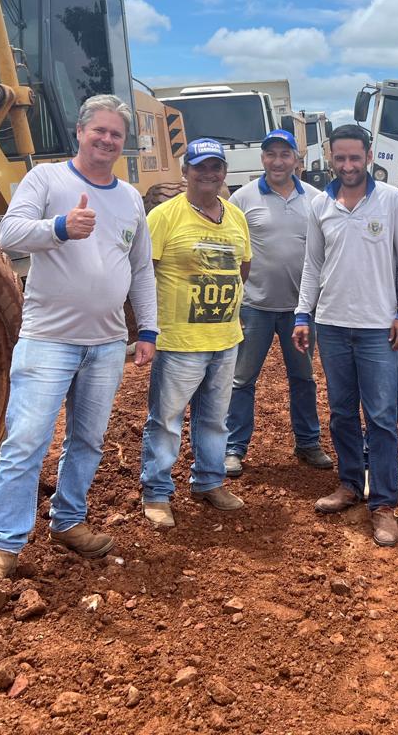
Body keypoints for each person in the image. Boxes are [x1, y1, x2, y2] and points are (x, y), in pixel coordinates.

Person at [0, 95, 157, 579]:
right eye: (100, 130)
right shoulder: (47, 179)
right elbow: (9, 234)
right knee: (27, 439)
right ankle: (4, 547)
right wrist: (59, 227)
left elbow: (140, 270)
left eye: (116, 134)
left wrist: (149, 329)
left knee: (88, 440)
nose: (108, 140)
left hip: (108, 342)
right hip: (49, 337)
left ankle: (68, 520)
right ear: (80, 131)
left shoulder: (130, 198)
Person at [293, 124, 398, 547]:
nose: (348, 165)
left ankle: (382, 504)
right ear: (330, 157)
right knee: (342, 412)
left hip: (378, 328)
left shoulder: (392, 200)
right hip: (331, 324)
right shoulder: (320, 204)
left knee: (381, 417)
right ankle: (349, 484)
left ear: (368, 156)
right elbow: (313, 264)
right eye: (340, 157)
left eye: (355, 157)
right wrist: (301, 315)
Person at [139, 137, 251, 527]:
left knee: (215, 418)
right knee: (166, 420)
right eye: (200, 167)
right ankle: (156, 492)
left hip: (225, 338)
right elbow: (141, 274)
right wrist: (142, 329)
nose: (208, 174)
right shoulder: (164, 217)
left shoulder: (235, 217)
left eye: (215, 167)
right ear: (185, 172)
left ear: (224, 173)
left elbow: (243, 268)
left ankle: (208, 481)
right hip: (179, 341)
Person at [224, 129, 330, 476]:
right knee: (242, 379)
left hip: (300, 310)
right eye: (271, 154)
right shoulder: (242, 198)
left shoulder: (315, 199)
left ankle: (308, 443)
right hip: (254, 306)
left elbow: (323, 252)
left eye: (285, 154)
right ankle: (233, 448)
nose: (278, 161)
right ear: (263, 159)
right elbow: (233, 249)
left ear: (296, 160)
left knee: (303, 378)